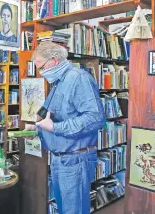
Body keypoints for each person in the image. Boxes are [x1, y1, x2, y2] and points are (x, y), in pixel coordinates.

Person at [25, 41, 106, 214]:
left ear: (54, 60)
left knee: (73, 210)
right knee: (65, 209)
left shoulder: (78, 78)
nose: (40, 72)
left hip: (75, 160)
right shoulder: (58, 82)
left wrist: (55, 127)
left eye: (41, 67)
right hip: (60, 158)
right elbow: (52, 115)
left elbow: (95, 118)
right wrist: (38, 127)